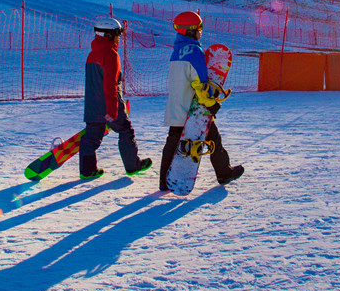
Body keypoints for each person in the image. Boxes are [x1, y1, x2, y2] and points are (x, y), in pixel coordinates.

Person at [159, 11, 243, 192]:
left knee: (173, 141)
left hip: (175, 108)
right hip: (193, 112)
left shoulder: (176, 51)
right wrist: (211, 104)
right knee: (214, 137)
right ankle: (224, 172)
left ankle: (164, 181)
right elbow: (200, 84)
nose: (201, 32)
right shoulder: (195, 52)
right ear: (190, 31)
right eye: (199, 28)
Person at [80, 16, 151, 180]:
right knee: (126, 130)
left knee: (91, 137)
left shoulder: (92, 55)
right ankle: (133, 165)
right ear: (109, 34)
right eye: (118, 33)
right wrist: (112, 109)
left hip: (92, 105)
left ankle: (87, 170)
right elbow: (110, 84)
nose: (119, 37)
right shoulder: (111, 54)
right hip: (108, 102)